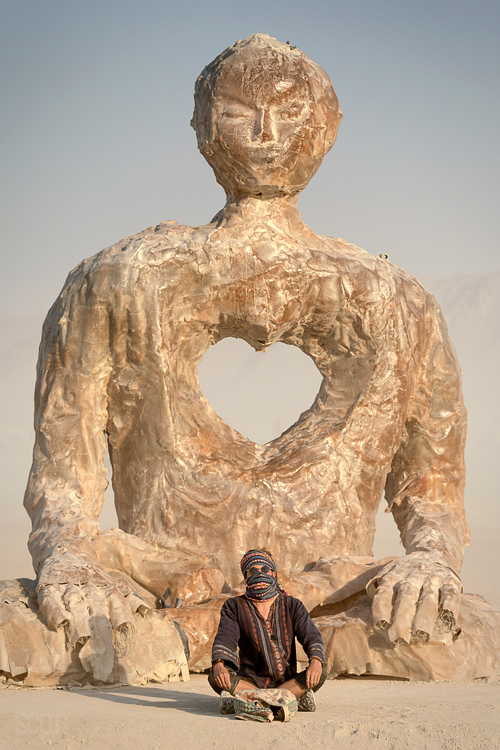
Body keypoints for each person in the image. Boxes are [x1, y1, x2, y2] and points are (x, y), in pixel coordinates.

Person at [1, 33, 498, 685]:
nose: (266, 132)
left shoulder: (396, 302)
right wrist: (68, 556)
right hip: (155, 580)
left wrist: (431, 557)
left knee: (460, 628)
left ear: (328, 127)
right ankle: (253, 644)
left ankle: (198, 644)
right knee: (23, 628)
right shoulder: (117, 281)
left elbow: (431, 482)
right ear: (203, 123)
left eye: (290, 112)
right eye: (240, 110)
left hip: (328, 589)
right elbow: (63, 470)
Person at [209, 550, 326, 713]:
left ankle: (248, 700)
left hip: (287, 680)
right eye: (253, 571)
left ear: (273, 573)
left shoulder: (292, 605)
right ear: (245, 577)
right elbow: (225, 638)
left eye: (264, 570)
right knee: (216, 677)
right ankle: (289, 700)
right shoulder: (234, 606)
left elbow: (311, 636)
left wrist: (316, 661)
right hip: (249, 681)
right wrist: (219, 664)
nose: (259, 574)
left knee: (319, 674)